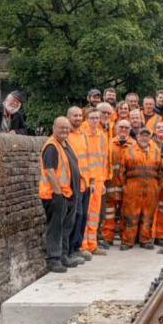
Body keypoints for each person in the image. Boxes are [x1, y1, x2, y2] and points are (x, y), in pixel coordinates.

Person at [39, 117, 81, 272]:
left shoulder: (65, 144)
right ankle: (53, 259)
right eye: (61, 128)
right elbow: (49, 172)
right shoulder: (51, 147)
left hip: (68, 194)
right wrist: (58, 194)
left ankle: (63, 255)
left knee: (66, 227)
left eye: (66, 128)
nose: (64, 131)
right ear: (54, 128)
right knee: (55, 227)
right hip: (56, 196)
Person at [119, 127, 163, 250]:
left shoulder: (156, 151)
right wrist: (126, 187)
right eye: (142, 135)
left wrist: (157, 187)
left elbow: (161, 173)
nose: (144, 138)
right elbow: (122, 171)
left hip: (151, 188)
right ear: (137, 137)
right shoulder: (129, 151)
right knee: (130, 215)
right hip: (133, 188)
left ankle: (145, 240)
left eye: (147, 135)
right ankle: (128, 241)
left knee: (148, 216)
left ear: (150, 137)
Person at [100, 120, 135, 248]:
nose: (123, 129)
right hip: (111, 186)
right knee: (109, 213)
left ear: (130, 129)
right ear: (116, 128)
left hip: (127, 187)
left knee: (126, 214)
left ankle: (126, 240)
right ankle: (107, 238)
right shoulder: (109, 144)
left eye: (126, 127)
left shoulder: (134, 145)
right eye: (121, 127)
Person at [80, 109, 108, 256]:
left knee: (94, 215)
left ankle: (93, 244)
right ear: (87, 118)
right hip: (86, 180)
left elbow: (103, 161)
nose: (95, 120)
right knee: (85, 213)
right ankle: (83, 246)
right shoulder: (82, 133)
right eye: (92, 118)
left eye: (97, 118)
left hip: (97, 181)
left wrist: (102, 181)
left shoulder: (101, 135)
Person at [66, 107, 92, 263]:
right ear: (68, 117)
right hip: (73, 183)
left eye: (79, 115)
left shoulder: (83, 135)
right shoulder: (66, 135)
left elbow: (87, 159)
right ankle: (70, 250)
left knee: (82, 217)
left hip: (85, 182)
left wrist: (92, 181)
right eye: (74, 115)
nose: (77, 118)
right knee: (75, 216)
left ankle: (77, 247)